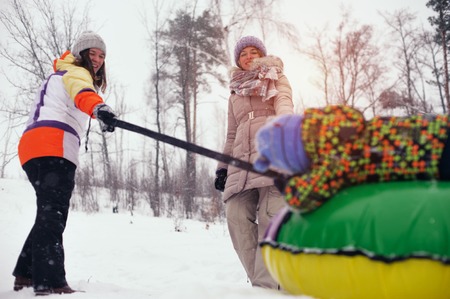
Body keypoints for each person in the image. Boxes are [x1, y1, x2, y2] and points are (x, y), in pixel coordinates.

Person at [12, 31, 117, 296]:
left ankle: (25, 274)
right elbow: (82, 92)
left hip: (33, 147)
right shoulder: (75, 72)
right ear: (80, 54)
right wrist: (99, 108)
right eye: (91, 53)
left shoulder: (59, 74)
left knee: (48, 212)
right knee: (54, 214)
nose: (96, 60)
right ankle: (50, 281)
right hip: (54, 144)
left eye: (101, 56)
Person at [254, 105, 450, 213]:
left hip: (434, 153)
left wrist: (291, 187)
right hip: (435, 128)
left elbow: (306, 195)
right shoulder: (337, 124)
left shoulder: (334, 153)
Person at [214, 36, 294, 289]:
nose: (249, 57)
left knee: (271, 221)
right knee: (236, 218)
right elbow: (231, 134)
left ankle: (269, 289)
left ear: (262, 54)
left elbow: (284, 103)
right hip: (241, 167)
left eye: (254, 52)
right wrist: (223, 167)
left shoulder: (275, 76)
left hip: (272, 159)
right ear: (237, 60)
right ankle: (263, 285)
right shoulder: (235, 93)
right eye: (243, 54)